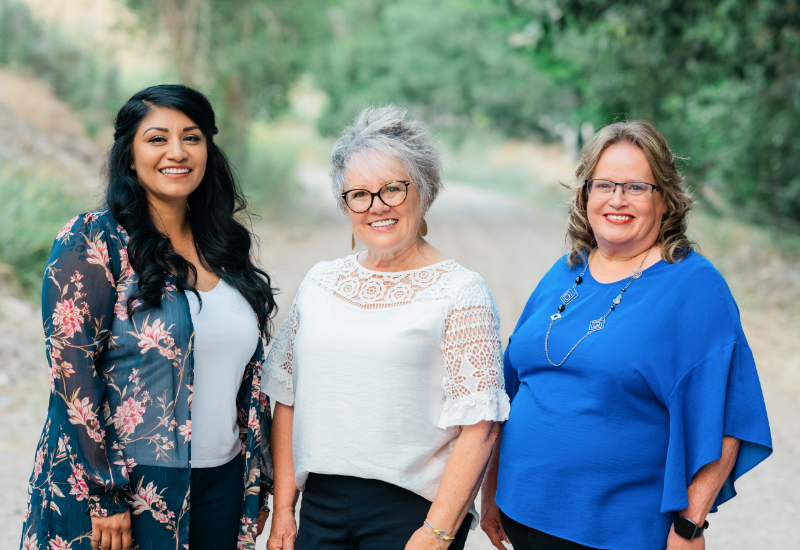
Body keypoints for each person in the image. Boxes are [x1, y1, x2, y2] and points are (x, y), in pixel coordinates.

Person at [480, 120, 773, 550]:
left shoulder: (694, 285)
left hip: (614, 533)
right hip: (521, 514)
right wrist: (490, 494)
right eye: (604, 185)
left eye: (637, 187)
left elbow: (728, 418)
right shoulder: (567, 270)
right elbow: (512, 389)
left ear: (667, 201)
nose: (617, 200)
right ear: (586, 195)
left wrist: (690, 526)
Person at [20, 85, 275, 550]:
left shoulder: (226, 248)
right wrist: (104, 493)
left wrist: (256, 480)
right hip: (127, 488)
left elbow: (247, 378)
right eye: (157, 138)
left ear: (208, 150)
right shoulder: (94, 240)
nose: (176, 152)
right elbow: (72, 372)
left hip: (223, 484)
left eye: (192, 137)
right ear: (129, 154)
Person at [264, 105, 509, 550]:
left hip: (411, 515)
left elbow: (481, 425)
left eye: (392, 189)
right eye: (359, 194)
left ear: (424, 190)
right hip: (320, 509)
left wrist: (436, 533)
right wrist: (284, 509)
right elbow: (286, 397)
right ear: (345, 204)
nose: (377, 207)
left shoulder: (461, 291)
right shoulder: (320, 282)